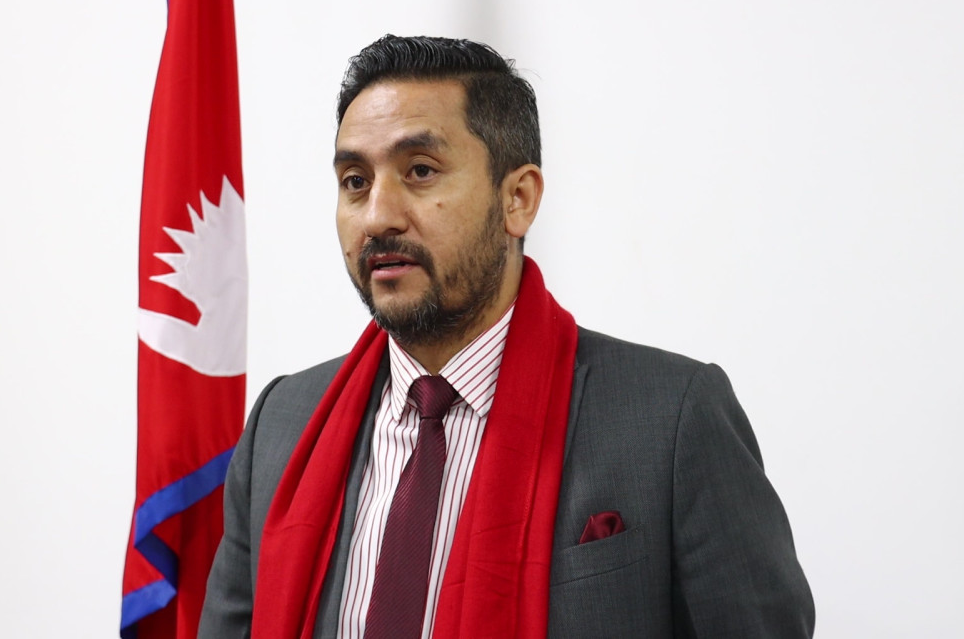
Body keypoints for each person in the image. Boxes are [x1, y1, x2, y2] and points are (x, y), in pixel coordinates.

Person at [200, 35, 813, 638]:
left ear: (517, 199)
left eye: (420, 171)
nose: (379, 215)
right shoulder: (283, 426)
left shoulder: (670, 419)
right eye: (356, 181)